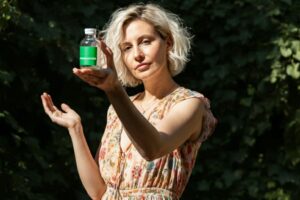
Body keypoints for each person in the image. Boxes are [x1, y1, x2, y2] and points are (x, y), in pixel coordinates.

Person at [41, 3, 216, 200]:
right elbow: (98, 193)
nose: (137, 55)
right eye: (127, 47)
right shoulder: (117, 110)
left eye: (146, 41)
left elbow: (153, 148)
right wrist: (75, 129)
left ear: (168, 42)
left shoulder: (190, 104)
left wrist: (114, 90)